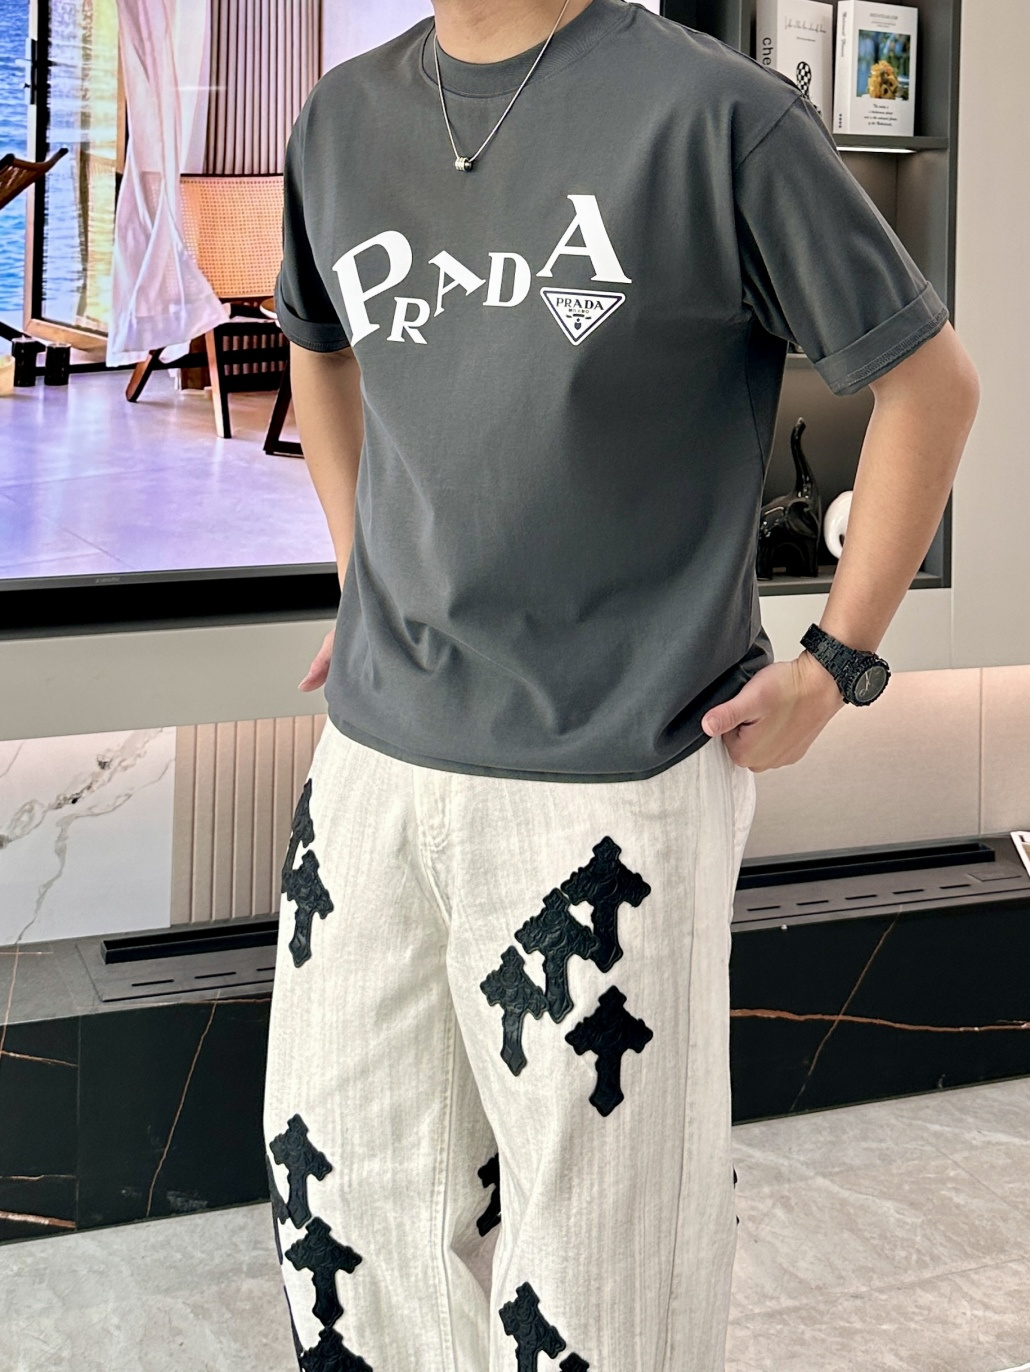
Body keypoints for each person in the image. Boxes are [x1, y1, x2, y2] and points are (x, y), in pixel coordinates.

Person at [261, 2, 980, 1368]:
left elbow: (930, 385)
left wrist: (837, 663)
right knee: (343, 1204)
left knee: (605, 1259)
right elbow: (321, 345)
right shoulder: (339, 120)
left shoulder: (721, 117)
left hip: (615, 783)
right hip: (371, 766)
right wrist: (366, 576)